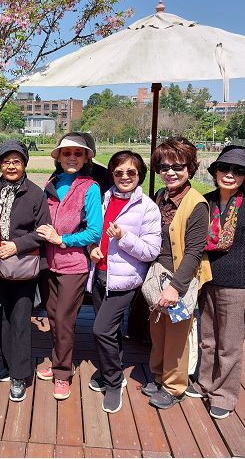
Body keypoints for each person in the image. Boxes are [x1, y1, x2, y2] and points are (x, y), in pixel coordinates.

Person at [187, 145, 245, 420]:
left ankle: (224, 394)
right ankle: (204, 383)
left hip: (238, 285)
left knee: (230, 345)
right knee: (208, 341)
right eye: (224, 168)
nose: (230, 174)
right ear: (215, 172)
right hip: (207, 281)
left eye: (238, 171)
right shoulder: (206, 201)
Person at [87, 151, 161, 413]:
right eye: (119, 172)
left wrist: (123, 236)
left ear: (140, 174)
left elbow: (151, 251)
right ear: (112, 174)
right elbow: (93, 233)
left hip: (125, 281)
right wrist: (92, 248)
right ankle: (113, 368)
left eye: (131, 172)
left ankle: (114, 382)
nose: (125, 177)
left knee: (101, 330)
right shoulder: (104, 198)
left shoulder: (147, 207)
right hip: (100, 275)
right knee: (112, 330)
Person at [143, 137, 211, 410]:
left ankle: (174, 387)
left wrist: (175, 287)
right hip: (157, 273)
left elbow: (194, 252)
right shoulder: (161, 196)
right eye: (164, 167)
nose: (170, 172)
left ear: (190, 168)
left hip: (180, 277)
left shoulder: (196, 204)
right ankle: (159, 375)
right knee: (158, 329)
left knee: (177, 335)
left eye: (178, 166)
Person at [35, 132, 103, 400]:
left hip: (73, 265)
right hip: (48, 264)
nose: (72, 157)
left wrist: (61, 239)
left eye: (78, 153)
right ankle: (59, 360)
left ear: (86, 158)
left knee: (64, 319)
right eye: (67, 153)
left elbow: (94, 231)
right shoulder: (51, 183)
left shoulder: (90, 188)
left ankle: (62, 373)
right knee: (53, 317)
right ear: (59, 157)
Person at [0, 140, 50, 402]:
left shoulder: (35, 194)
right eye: (6, 161)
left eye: (16, 161)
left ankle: (19, 375)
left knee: (21, 319)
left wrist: (16, 245)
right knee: (1, 317)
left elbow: (43, 231)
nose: (11, 166)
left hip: (22, 266)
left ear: (24, 164)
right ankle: (7, 362)